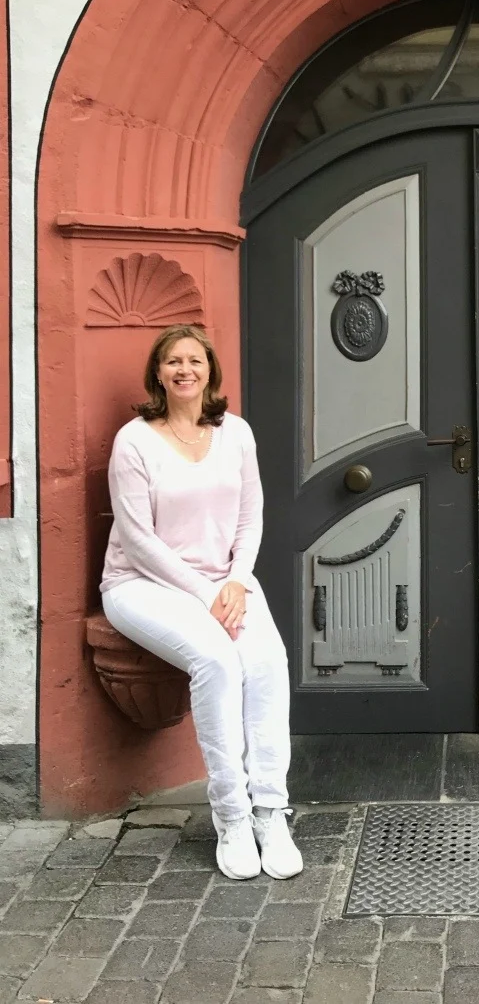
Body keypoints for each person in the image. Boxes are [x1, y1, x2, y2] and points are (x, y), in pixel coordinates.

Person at [100, 324, 302, 882]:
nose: (184, 370)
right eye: (173, 361)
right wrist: (209, 593)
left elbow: (250, 516)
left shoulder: (235, 432)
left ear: (210, 369)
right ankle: (232, 815)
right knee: (216, 660)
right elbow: (137, 540)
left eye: (194, 360)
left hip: (225, 582)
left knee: (267, 661)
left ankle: (270, 810)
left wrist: (236, 579)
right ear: (158, 373)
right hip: (140, 584)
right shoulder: (134, 441)